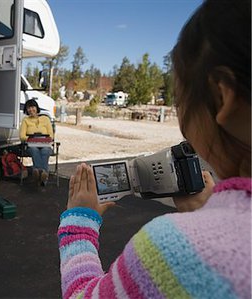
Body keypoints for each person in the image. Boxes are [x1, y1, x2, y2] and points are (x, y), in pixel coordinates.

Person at [58, 1, 251, 298]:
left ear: (221, 95)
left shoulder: (178, 249)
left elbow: (81, 295)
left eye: (181, 96)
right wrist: (211, 213)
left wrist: (80, 220)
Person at [20, 99, 54, 186]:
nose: (31, 110)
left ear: (36, 107)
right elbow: (22, 136)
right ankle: (43, 175)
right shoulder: (25, 120)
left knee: (45, 150)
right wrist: (32, 138)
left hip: (45, 143)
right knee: (34, 150)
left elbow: (51, 135)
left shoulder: (46, 119)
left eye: (32, 107)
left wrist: (43, 138)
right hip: (31, 144)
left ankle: (37, 172)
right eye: (28, 108)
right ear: (26, 110)